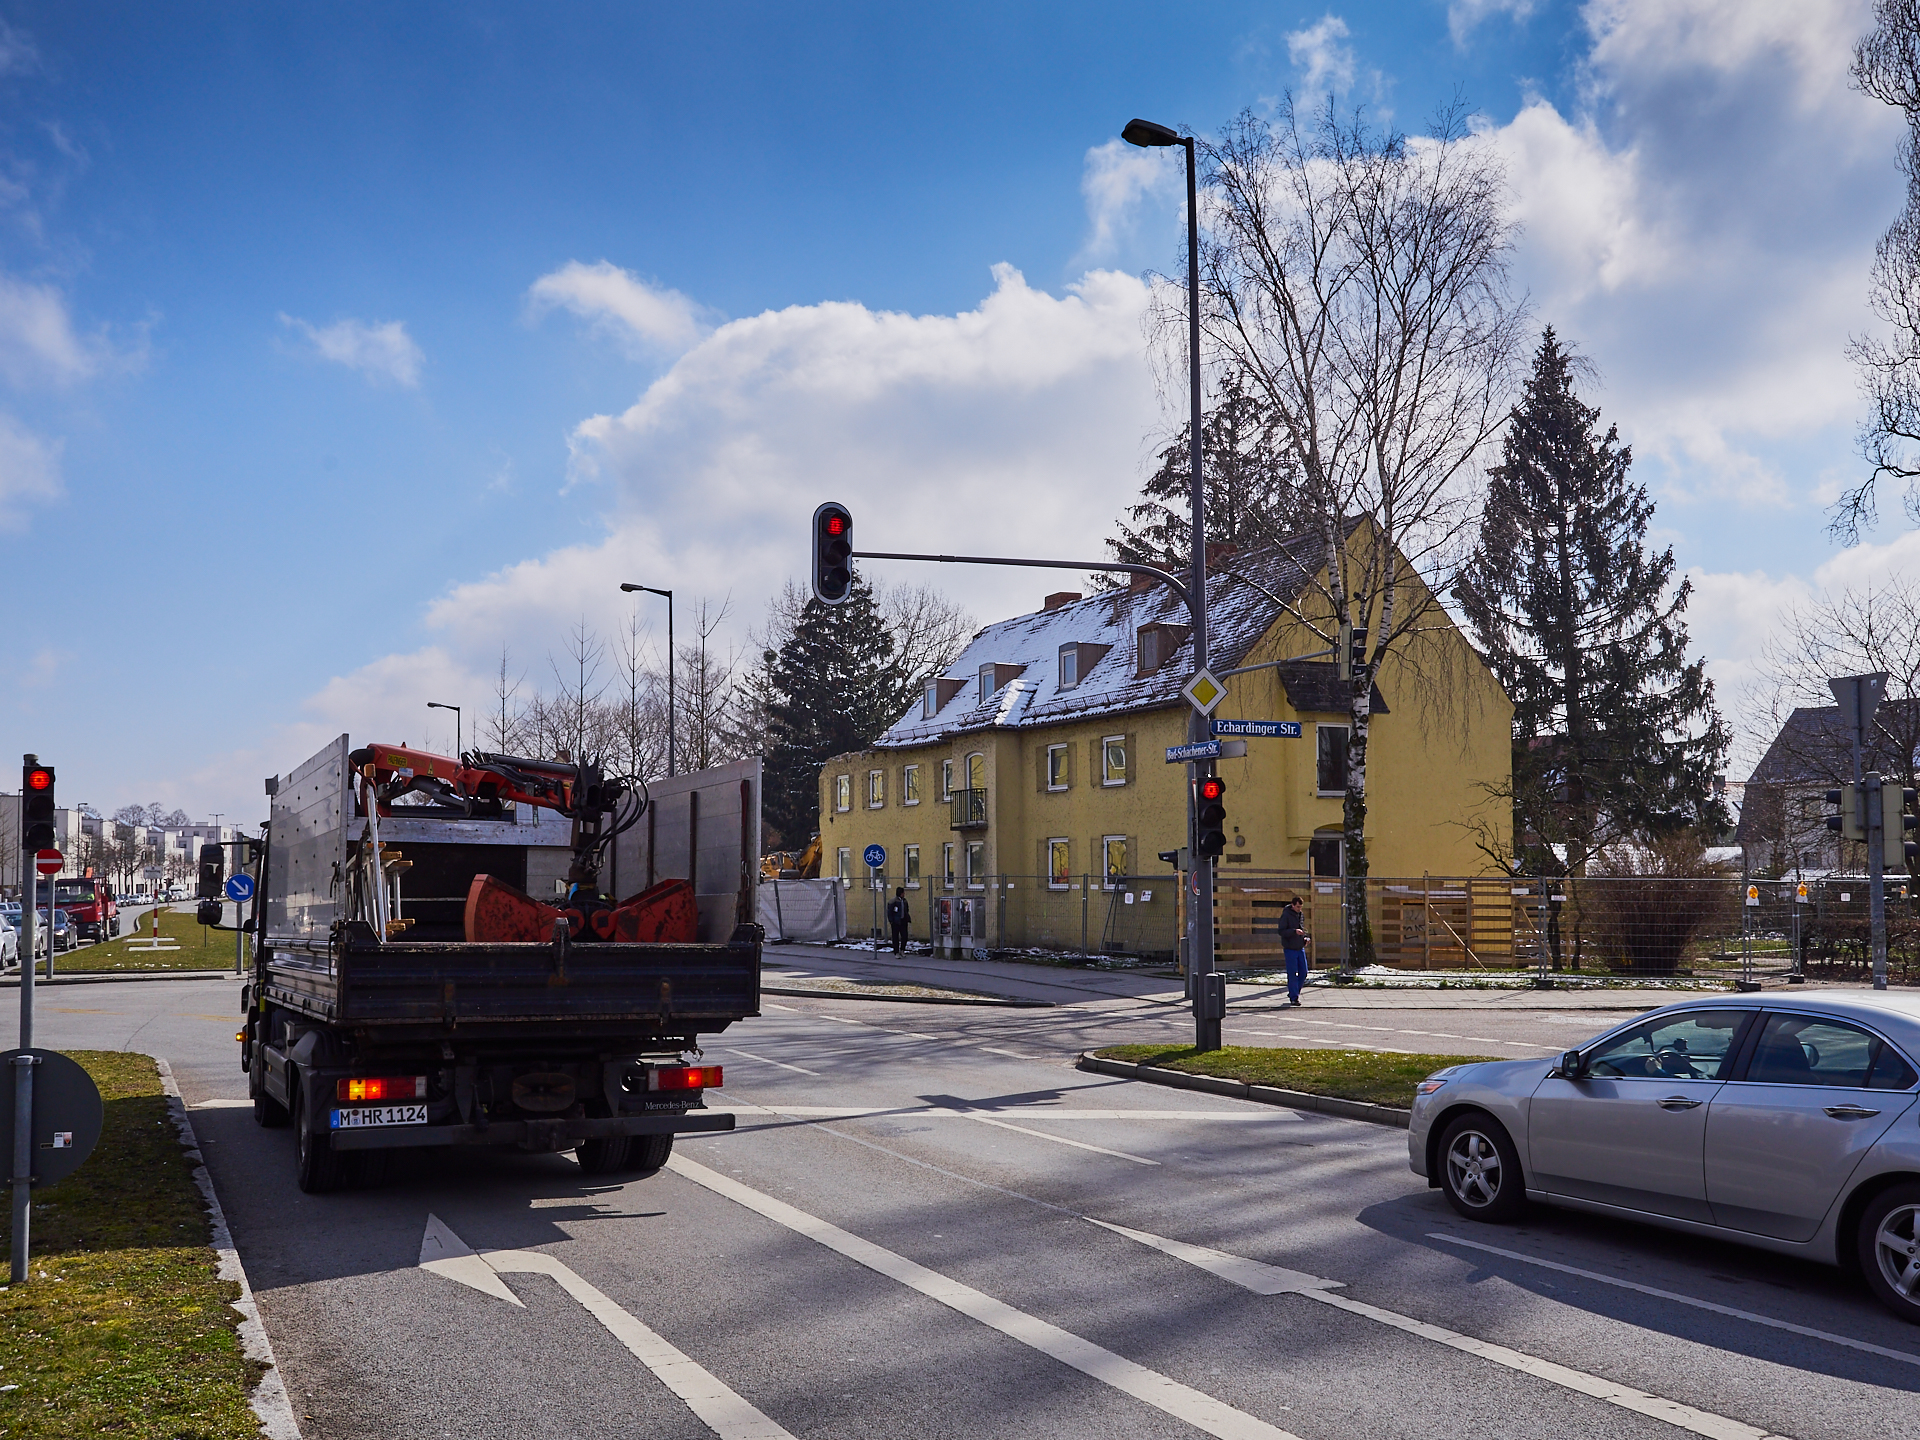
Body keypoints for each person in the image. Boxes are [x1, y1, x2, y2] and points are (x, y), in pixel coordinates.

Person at [1279, 895, 1311, 1006]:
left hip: (1299, 947)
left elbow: (1301, 929)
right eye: (1297, 907)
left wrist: (1305, 938)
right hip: (1290, 948)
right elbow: (1281, 931)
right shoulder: (1286, 915)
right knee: (1292, 973)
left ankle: (1294, 991)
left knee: (1304, 972)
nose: (1299, 909)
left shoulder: (1301, 915)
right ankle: (1294, 997)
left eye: (1300, 907)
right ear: (1292, 905)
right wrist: (1294, 931)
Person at [885, 886, 911, 954]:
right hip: (896, 922)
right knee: (895, 937)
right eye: (903, 893)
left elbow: (906, 909)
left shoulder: (904, 901)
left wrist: (906, 917)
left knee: (904, 936)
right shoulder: (893, 901)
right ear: (900, 893)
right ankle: (896, 952)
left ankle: (902, 950)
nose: (904, 894)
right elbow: (889, 912)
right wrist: (891, 921)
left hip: (903, 921)